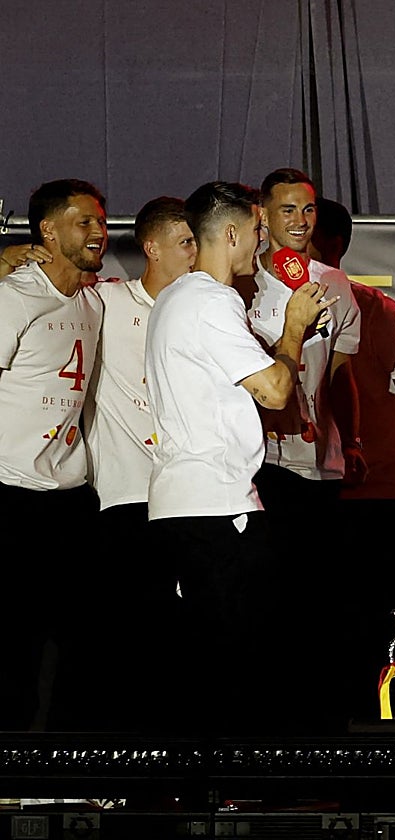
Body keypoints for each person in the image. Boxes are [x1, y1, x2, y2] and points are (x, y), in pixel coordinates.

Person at [145, 181, 331, 733]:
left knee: (210, 659)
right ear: (230, 234)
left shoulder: (177, 297)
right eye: (256, 230)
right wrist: (294, 328)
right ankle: (236, 777)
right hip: (217, 503)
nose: (263, 242)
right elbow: (274, 391)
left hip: (186, 502)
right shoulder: (210, 300)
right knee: (240, 663)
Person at [310, 197, 395, 718]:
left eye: (309, 234)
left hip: (379, 501)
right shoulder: (258, 303)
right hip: (304, 494)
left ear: (335, 245)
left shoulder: (381, 312)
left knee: (381, 641)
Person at [245, 169, 363, 731]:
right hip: (261, 465)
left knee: (321, 606)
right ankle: (269, 733)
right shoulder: (241, 282)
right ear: (263, 216)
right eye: (287, 210)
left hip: (320, 467)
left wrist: (350, 441)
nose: (299, 221)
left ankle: (320, 735)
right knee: (269, 605)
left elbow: (339, 374)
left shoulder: (333, 283)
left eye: (308, 209)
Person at [86, 196, 196, 729]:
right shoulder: (107, 301)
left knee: (182, 639)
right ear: (151, 248)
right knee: (127, 639)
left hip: (186, 498)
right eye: (185, 242)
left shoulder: (202, 311)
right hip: (126, 496)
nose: (195, 253)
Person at [0, 179, 105, 730]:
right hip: (11, 493)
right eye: (83, 221)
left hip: (70, 497)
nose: (98, 231)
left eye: (101, 220)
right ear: (47, 230)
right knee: (15, 645)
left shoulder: (94, 300)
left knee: (80, 641)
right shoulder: (14, 295)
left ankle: (64, 764)